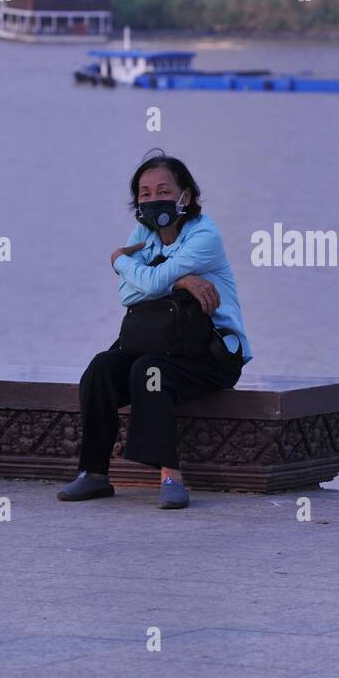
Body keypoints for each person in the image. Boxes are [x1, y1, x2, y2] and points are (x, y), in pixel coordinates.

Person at [59, 151, 252, 509]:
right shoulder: (144, 234)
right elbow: (128, 292)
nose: (153, 199)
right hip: (160, 342)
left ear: (186, 196)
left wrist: (121, 260)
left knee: (150, 371)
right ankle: (94, 474)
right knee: (101, 369)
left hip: (210, 353)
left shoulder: (205, 236)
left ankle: (170, 476)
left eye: (163, 190)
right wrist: (183, 279)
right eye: (144, 193)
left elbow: (147, 283)